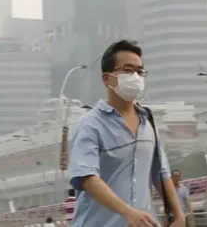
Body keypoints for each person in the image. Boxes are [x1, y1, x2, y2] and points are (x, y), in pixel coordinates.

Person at [69, 40, 186, 227]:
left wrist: (180, 216)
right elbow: (86, 177)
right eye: (127, 70)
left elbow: (161, 174)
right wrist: (127, 212)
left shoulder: (148, 123)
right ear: (107, 78)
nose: (136, 77)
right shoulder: (90, 124)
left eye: (140, 71)